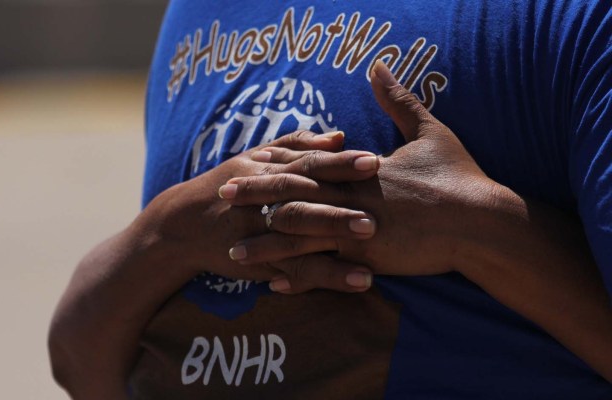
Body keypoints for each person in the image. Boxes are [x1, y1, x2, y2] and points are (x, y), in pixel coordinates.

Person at [49, 1, 612, 398]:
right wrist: (169, 234)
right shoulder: (193, 12)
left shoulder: (565, 16)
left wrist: (476, 230)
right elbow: (79, 365)